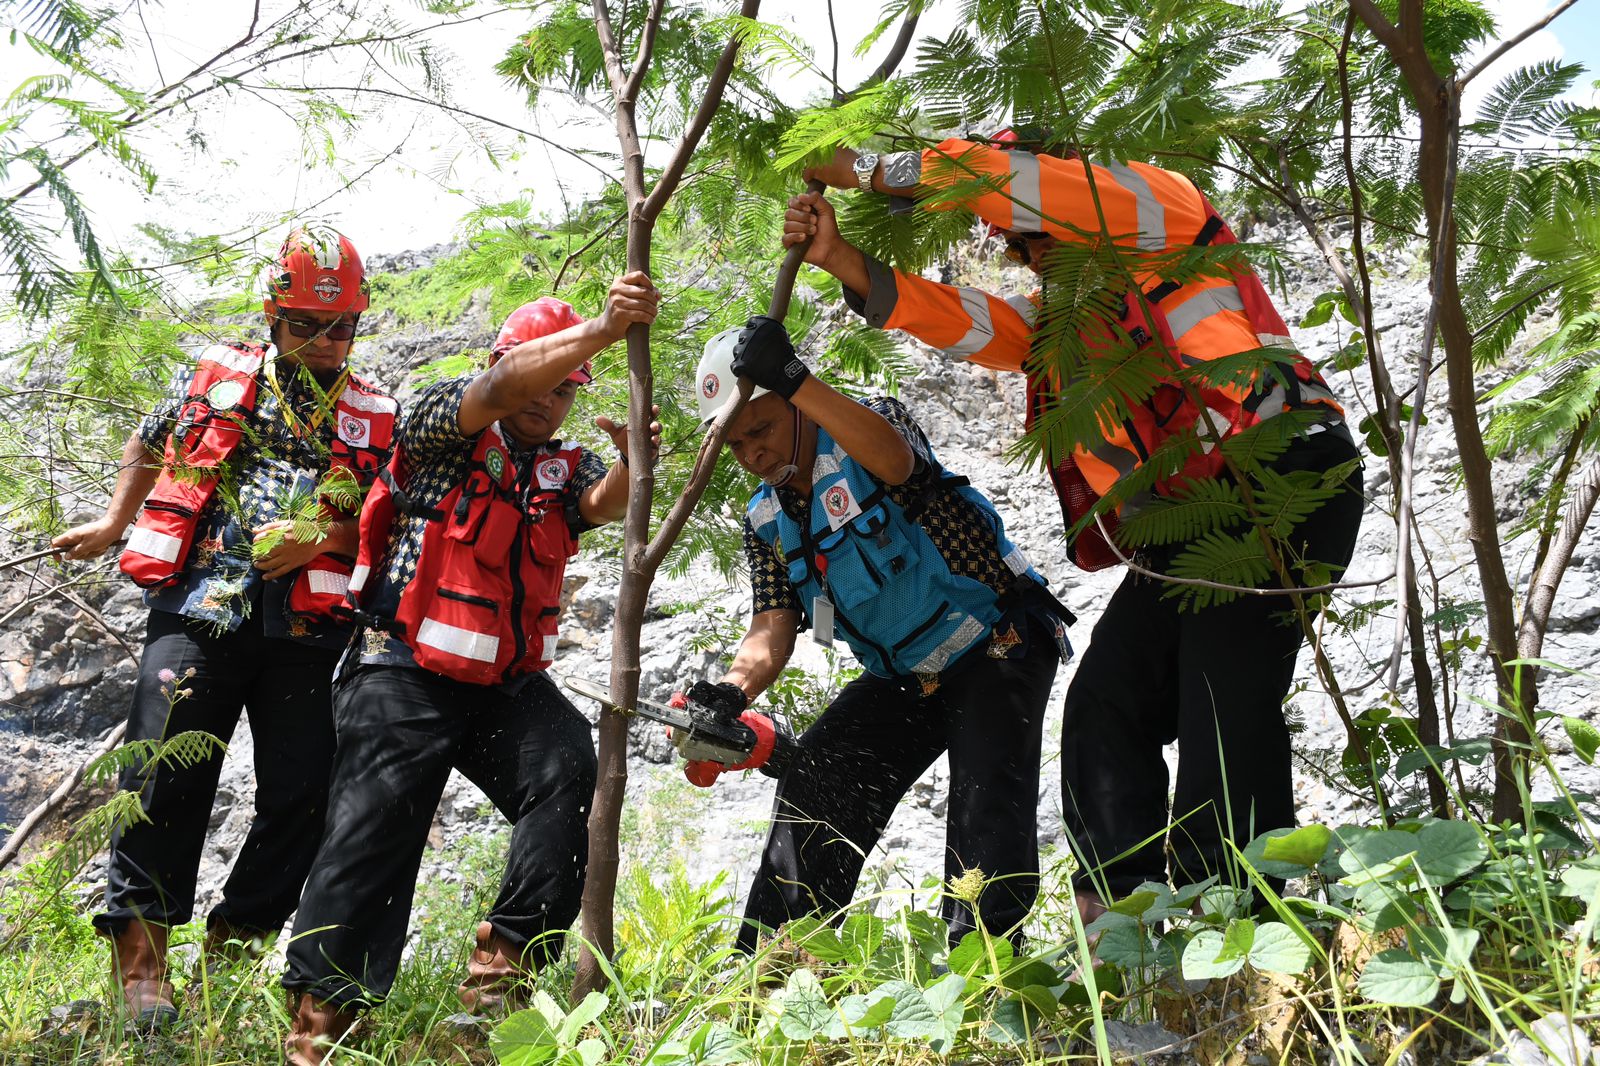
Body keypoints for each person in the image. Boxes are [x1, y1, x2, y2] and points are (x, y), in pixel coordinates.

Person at [781, 135, 1365, 923]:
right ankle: (1119, 933)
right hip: (1193, 525)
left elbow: (986, 176)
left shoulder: (1154, 203)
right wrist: (844, 260)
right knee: (1103, 704)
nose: (1026, 256)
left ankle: (1240, 928)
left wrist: (854, 167)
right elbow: (973, 322)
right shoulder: (1071, 322)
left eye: (1028, 235)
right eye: (1019, 248)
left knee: (1222, 696)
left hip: (1279, 478)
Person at [279, 277, 661, 1064]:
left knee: (565, 769)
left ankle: (500, 981)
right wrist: (600, 327)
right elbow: (496, 388)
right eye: (541, 380)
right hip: (400, 662)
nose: (547, 401)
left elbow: (601, 506)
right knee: (378, 824)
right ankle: (322, 1025)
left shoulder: (562, 464)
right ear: (506, 360)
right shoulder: (443, 418)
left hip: (501, 683)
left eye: (565, 394)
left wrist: (635, 458)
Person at [50, 224, 397, 1026]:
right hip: (199, 606)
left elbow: (391, 520)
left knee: (304, 793)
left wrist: (329, 536)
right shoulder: (212, 373)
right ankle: (142, 963)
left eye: (340, 326)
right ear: (272, 313)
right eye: (306, 325)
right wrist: (112, 523)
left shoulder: (378, 412)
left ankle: (231, 951)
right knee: (162, 769)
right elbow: (151, 437)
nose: (322, 341)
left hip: (309, 631)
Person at [683, 317, 1071, 955]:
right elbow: (772, 625)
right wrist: (730, 691)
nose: (752, 452)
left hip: (995, 639)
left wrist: (797, 379)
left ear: (797, 404)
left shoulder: (869, 426)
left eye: (762, 428)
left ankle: (990, 972)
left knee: (984, 806)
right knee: (819, 778)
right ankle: (774, 969)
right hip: (905, 675)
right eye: (735, 442)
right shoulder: (765, 519)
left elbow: (896, 463)